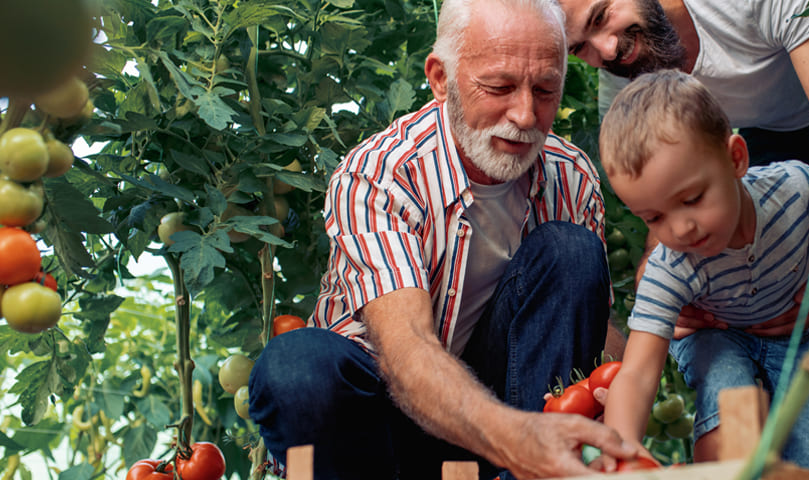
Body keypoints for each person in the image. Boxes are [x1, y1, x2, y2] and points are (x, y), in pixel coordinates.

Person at [246, 0, 637, 478]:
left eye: (546, 90)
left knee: (571, 252)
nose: (525, 115)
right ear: (440, 78)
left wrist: (632, 362)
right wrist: (518, 437)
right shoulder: (380, 174)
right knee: (295, 366)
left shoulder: (570, 175)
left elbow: (589, 330)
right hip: (380, 418)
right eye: (498, 87)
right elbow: (406, 348)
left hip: (503, 418)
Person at [555, 0, 809, 477]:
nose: (606, 49)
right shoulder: (629, 88)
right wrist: (621, 446)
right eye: (581, 48)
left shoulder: (790, 185)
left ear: (738, 161)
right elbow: (638, 367)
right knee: (724, 376)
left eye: (601, 17)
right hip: (741, 142)